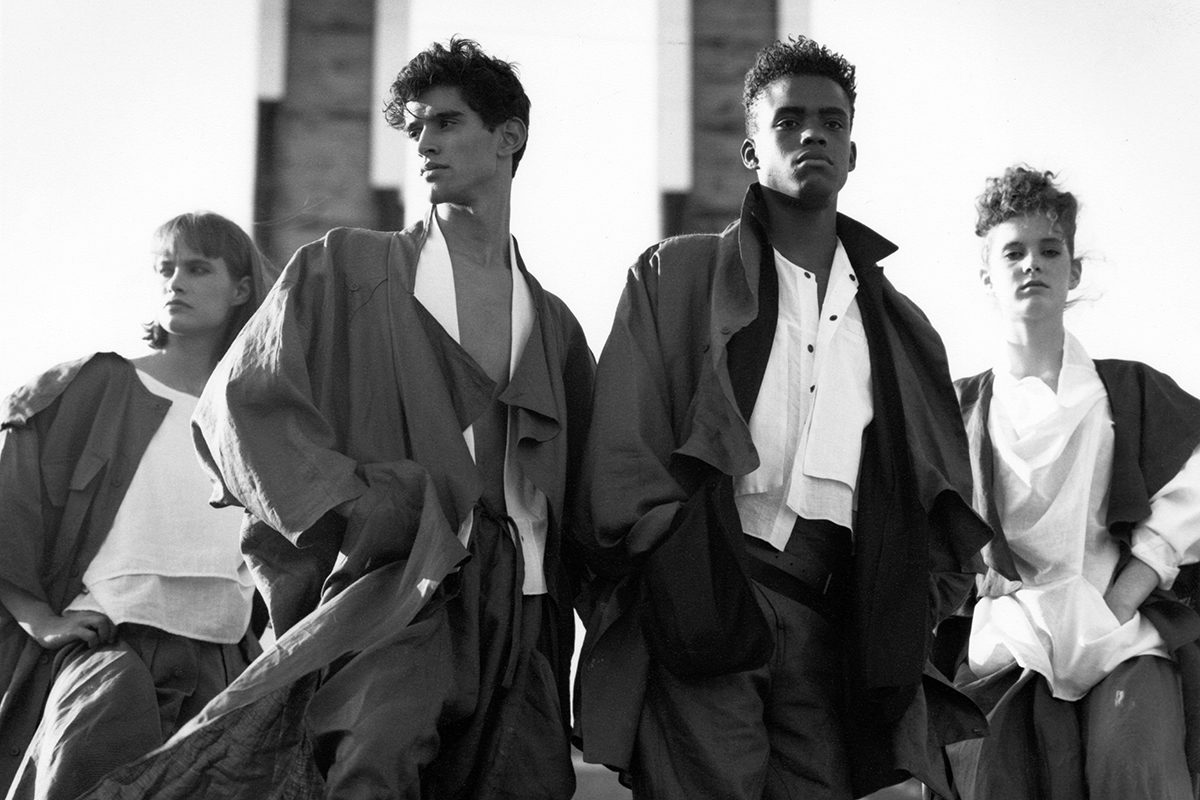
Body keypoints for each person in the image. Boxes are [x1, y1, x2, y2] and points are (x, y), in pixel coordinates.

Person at [572, 35, 992, 800]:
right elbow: (619, 450)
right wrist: (678, 571)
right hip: (708, 595)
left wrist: (901, 614)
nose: (812, 135)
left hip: (835, 630)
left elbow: (942, 502)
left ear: (854, 151)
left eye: (831, 122)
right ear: (750, 150)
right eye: (790, 120)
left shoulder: (902, 327)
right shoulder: (675, 276)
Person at [187, 37, 594, 799]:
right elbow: (241, 403)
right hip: (397, 579)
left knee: (525, 785)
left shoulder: (557, 324)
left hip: (523, 606)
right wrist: (359, 507)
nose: (427, 144)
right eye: (417, 130)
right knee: (372, 765)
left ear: (510, 137)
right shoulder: (342, 267)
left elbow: (586, 485)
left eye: (446, 123)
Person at [939, 165, 1200, 799]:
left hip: (1120, 633)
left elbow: (1185, 505)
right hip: (1011, 642)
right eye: (1013, 251)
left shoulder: (1128, 393)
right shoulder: (955, 411)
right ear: (986, 275)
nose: (1032, 264)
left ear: (1073, 270)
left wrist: (1115, 608)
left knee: (1135, 771)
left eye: (1049, 250)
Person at [0, 212, 275, 800]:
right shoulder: (95, 387)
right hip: (109, 638)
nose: (176, 282)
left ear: (242, 289)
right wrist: (38, 619)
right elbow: (11, 503)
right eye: (165, 269)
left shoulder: (258, 418)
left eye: (198, 269)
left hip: (222, 656)